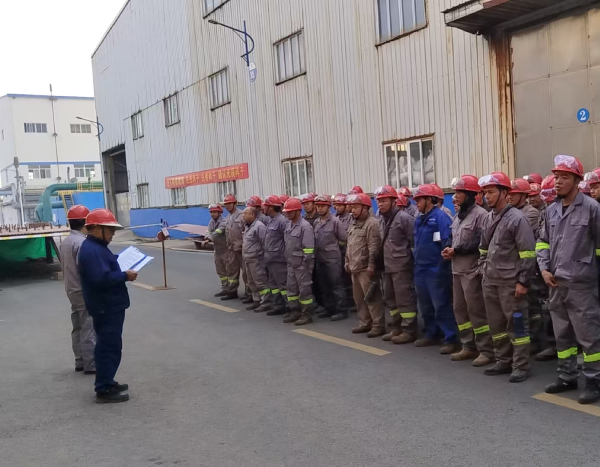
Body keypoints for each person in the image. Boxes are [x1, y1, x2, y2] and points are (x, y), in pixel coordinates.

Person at [538, 155, 600, 404]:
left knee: (589, 335)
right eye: (556, 177)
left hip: (582, 285)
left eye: (564, 177)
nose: (558, 182)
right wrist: (544, 269)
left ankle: (594, 381)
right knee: (562, 334)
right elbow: (542, 242)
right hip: (556, 283)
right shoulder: (550, 210)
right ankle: (566, 376)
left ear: (576, 181)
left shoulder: (592, 209)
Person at [478, 172, 536, 383]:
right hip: (491, 281)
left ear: (504, 193)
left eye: (491, 192)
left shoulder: (517, 219)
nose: (487, 197)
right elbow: (483, 248)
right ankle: (503, 360)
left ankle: (521, 365)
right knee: (496, 325)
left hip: (511, 284)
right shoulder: (488, 218)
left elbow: (528, 253)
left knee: (517, 325)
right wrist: (482, 269)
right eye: (485, 193)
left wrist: (523, 282)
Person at [78, 209, 137, 403]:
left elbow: (103, 269)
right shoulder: (92, 250)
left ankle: (108, 381)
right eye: (110, 230)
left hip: (108, 306)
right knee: (107, 347)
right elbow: (101, 279)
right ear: (96, 228)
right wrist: (124, 275)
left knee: (111, 345)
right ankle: (103, 388)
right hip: (106, 306)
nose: (112, 234)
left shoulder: (97, 247)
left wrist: (116, 261)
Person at [442, 176, 493, 366]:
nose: (455, 197)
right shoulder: (459, 216)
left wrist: (457, 250)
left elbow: (481, 243)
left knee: (476, 311)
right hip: (457, 270)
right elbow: (454, 237)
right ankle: (468, 346)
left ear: (470, 195)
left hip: (472, 271)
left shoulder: (481, 215)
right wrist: (449, 249)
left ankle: (486, 350)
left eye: (459, 193)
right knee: (460, 310)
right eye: (455, 193)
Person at [412, 184, 458, 354]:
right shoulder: (419, 219)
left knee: (441, 304)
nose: (416, 203)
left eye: (419, 199)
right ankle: (431, 334)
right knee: (425, 304)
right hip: (420, 268)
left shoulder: (441, 217)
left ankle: (451, 338)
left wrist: (441, 264)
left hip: (436, 268)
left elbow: (447, 240)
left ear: (430, 200)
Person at [375, 186, 418, 344]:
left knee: (404, 298)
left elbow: (414, 242)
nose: (380, 204)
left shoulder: (404, 218)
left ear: (394, 201)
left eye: (384, 201)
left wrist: (410, 262)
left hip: (401, 266)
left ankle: (409, 330)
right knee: (390, 298)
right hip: (387, 266)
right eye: (379, 201)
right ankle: (397, 327)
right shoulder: (381, 219)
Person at [60, 205, 96, 375]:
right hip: (83, 290)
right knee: (88, 325)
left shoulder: (67, 241)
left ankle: (80, 360)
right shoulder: (81, 243)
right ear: (86, 223)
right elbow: (87, 269)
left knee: (78, 325)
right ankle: (91, 363)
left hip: (71, 289)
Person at [346, 193, 385, 337]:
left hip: (365, 269)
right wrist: (347, 261)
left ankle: (378, 325)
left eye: (356, 207)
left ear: (365, 208)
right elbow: (350, 244)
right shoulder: (353, 223)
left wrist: (371, 265)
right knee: (359, 299)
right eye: (352, 207)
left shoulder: (372, 223)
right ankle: (365, 323)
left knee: (372, 298)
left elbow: (374, 247)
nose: (353, 210)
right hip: (354, 268)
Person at [313, 195, 348, 321]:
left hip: (332, 259)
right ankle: (329, 308)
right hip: (320, 259)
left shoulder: (335, 221)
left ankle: (341, 310)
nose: (320, 208)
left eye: (323, 206)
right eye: (318, 206)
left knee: (336, 285)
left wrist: (334, 247)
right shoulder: (316, 222)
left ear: (328, 207)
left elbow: (344, 238)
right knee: (324, 286)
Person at [282, 198, 316, 325]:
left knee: (304, 290)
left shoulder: (305, 227)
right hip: (291, 264)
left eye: (290, 212)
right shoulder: (289, 225)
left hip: (302, 265)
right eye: (286, 212)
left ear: (297, 211)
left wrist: (305, 265)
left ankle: (307, 314)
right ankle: (295, 311)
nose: (287, 214)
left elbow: (309, 249)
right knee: (291, 290)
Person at [262, 195, 288, 316]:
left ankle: (289, 307)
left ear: (271, 207)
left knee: (283, 285)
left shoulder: (282, 221)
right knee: (274, 285)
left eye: (266, 206)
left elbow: (287, 240)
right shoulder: (271, 220)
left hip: (279, 260)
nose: (264, 208)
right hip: (271, 259)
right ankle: (278, 305)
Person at [241, 207, 270, 311]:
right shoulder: (247, 226)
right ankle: (256, 300)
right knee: (251, 282)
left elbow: (265, 243)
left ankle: (266, 302)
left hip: (257, 259)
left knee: (260, 282)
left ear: (252, 215)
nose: (243, 216)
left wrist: (263, 257)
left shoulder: (259, 226)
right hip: (248, 259)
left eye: (245, 213)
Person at [333, 193, 355, 313]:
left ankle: (353, 301)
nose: (337, 207)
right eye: (336, 205)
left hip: (348, 252)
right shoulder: (334, 218)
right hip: (338, 254)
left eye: (340, 205)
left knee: (349, 278)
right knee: (341, 278)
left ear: (346, 206)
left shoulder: (351, 218)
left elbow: (349, 237)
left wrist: (339, 242)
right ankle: (346, 300)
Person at [221, 194, 244, 301]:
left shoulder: (242, 215)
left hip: (242, 248)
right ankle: (232, 291)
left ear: (235, 203)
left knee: (246, 272)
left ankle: (249, 293)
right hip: (231, 248)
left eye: (230, 204)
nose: (228, 206)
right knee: (232, 271)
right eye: (226, 204)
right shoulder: (227, 217)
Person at [206, 204, 229, 297]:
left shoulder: (224, 221)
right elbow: (207, 232)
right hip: (217, 250)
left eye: (215, 212)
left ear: (219, 213)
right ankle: (224, 289)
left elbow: (218, 232)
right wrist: (207, 237)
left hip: (226, 250)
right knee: (220, 271)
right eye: (211, 212)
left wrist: (208, 239)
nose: (212, 214)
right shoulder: (211, 222)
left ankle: (231, 290)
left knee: (229, 271)